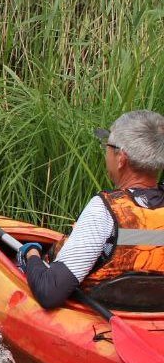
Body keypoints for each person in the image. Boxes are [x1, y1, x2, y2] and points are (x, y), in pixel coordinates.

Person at [17, 109, 164, 310]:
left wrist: (31, 253)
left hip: (104, 318)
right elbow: (145, 239)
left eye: (108, 146)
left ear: (121, 158)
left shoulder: (105, 211)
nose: (106, 152)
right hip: (152, 313)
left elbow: (49, 292)